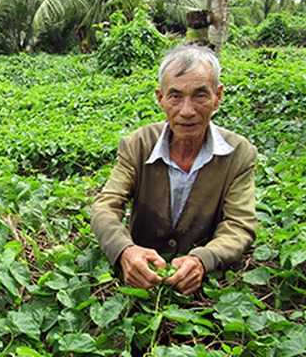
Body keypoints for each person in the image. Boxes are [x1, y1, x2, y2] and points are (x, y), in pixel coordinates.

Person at [91, 44, 258, 296]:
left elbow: (239, 224)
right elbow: (105, 206)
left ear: (217, 97)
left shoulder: (239, 154)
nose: (187, 111)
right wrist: (125, 250)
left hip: (202, 291)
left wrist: (204, 259)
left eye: (200, 95)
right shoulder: (137, 145)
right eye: (175, 96)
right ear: (160, 99)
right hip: (139, 285)